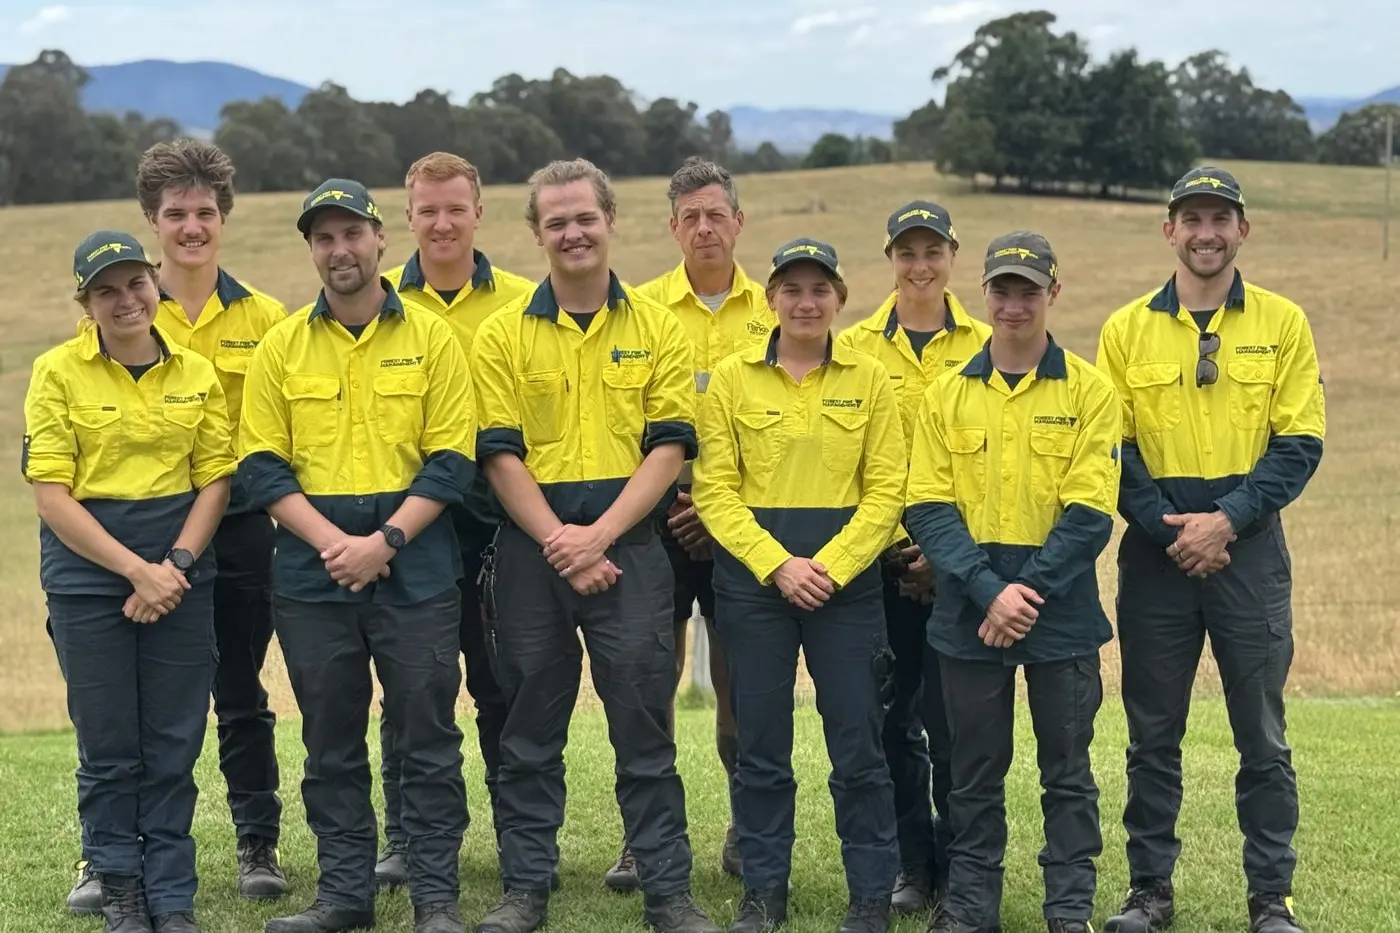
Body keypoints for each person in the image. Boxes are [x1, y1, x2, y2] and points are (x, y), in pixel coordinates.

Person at [470, 157, 719, 933]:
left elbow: (670, 448)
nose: (573, 232)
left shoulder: (659, 327)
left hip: (632, 549)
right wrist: (558, 540)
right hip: (529, 551)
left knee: (644, 724)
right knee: (528, 726)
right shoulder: (501, 333)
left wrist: (601, 534)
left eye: (585, 217)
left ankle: (668, 894)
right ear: (537, 233)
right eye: (556, 221)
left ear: (611, 219)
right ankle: (525, 892)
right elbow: (498, 453)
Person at [238, 178, 476, 933]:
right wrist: (335, 544)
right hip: (314, 571)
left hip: (417, 562)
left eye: (351, 233)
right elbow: (262, 467)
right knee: (329, 738)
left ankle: (435, 896)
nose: (340, 250)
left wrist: (385, 541)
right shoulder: (280, 345)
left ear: (381, 237)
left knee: (427, 733)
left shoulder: (433, 337)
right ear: (311, 250)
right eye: (323, 238)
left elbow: (450, 459)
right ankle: (345, 894)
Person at [1096, 167, 1325, 933]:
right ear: (1168, 229)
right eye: (1191, 217)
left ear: (1242, 230)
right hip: (1155, 559)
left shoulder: (1283, 323)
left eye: (1220, 218)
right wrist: (1173, 529)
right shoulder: (1125, 330)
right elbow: (1112, 450)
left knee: (1260, 733)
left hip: (1249, 554)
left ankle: (1271, 898)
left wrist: (1224, 521)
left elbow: (1298, 444)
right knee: (1152, 732)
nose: (1205, 231)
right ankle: (1148, 893)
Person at [904, 232, 1122, 933]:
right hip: (968, 610)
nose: (1014, 303)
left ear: (1052, 294)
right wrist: (985, 589)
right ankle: (971, 907)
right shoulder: (945, 394)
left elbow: (1090, 513)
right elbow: (927, 506)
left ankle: (1067, 908)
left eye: (1029, 290)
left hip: (1058, 613)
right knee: (971, 769)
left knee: (1067, 769)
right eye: (1002, 289)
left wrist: (1020, 594)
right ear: (984, 294)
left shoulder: (1091, 392)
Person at [691, 237, 906, 933]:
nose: (806, 302)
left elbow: (887, 489)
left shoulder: (870, 379)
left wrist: (831, 566)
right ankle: (763, 891)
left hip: (846, 589)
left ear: (840, 299)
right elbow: (715, 490)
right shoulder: (730, 380)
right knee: (760, 745)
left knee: (858, 742)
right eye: (792, 289)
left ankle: (871, 894)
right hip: (756, 585)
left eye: (820, 289)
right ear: (771, 299)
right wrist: (778, 563)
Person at [24, 230, 237, 933]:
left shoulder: (198, 373)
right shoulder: (56, 372)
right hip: (90, 580)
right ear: (85, 303)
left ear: (156, 285)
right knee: (110, 745)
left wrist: (173, 566)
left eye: (135, 283)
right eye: (106, 290)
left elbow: (215, 479)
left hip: (180, 574)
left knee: (174, 742)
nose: (125, 300)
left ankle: (172, 896)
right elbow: (52, 494)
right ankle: (121, 889)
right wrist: (136, 570)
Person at [376, 151, 536, 891]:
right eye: (427, 210)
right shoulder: (378, 307)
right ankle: (406, 837)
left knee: (504, 684)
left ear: (479, 213)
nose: (442, 222)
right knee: (413, 689)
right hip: (413, 529)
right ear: (405, 218)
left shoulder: (524, 302)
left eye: (455, 208)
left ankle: (516, 835)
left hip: (502, 525)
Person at [141, 138, 290, 899]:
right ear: (152, 222)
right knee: (144, 703)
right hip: (145, 536)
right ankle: (117, 850)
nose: (191, 226)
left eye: (204, 211)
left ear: (223, 218)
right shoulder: (123, 311)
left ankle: (257, 846)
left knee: (239, 690)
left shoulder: (267, 319)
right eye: (176, 214)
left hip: (240, 533)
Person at [834, 200, 991, 915]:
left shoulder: (989, 344)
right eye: (907, 252)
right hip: (882, 564)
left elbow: (999, 463)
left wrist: (950, 556)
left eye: (933, 251)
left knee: (958, 722)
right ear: (889, 259)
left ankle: (962, 863)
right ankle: (912, 862)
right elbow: (852, 459)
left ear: (953, 256)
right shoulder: (857, 347)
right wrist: (896, 549)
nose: (920, 266)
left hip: (963, 568)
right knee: (892, 720)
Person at [628, 155, 776, 890]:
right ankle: (646, 836)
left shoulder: (776, 307)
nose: (705, 227)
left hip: (745, 522)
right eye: (690, 216)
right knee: (647, 678)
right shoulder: (642, 309)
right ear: (672, 226)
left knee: (737, 682)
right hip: (657, 514)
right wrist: (678, 499)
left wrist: (721, 511)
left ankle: (747, 828)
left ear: (739, 221)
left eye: (717, 213)